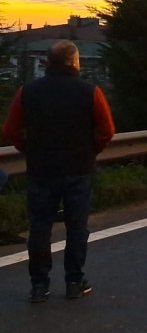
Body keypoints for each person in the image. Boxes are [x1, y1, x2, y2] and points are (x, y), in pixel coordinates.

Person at [2, 40, 115, 303]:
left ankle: (39, 285)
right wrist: (91, 150)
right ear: (74, 61)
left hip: (41, 168)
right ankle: (74, 280)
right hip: (78, 168)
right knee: (77, 227)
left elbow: (10, 130)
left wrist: (29, 149)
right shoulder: (90, 91)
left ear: (48, 62)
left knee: (39, 227)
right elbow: (107, 130)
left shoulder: (27, 91)